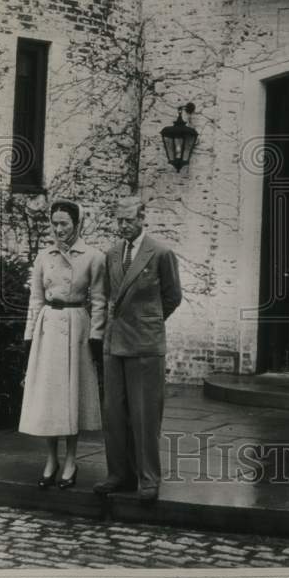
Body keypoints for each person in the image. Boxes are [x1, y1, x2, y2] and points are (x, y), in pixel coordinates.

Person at [94, 197, 182, 501]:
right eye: (119, 220)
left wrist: (149, 321)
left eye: (128, 220)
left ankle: (148, 479)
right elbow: (108, 295)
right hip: (114, 342)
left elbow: (172, 296)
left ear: (142, 218)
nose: (123, 225)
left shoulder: (160, 253)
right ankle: (119, 474)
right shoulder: (113, 254)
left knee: (145, 415)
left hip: (145, 343)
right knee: (113, 413)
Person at [19, 199, 106, 489]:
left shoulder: (93, 257)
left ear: (76, 224)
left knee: (71, 396)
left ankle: (71, 459)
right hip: (48, 328)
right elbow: (35, 299)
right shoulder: (44, 257)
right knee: (49, 396)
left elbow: (99, 300)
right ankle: (51, 459)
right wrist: (29, 335)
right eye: (54, 223)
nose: (59, 229)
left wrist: (95, 336)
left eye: (64, 224)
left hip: (76, 326)